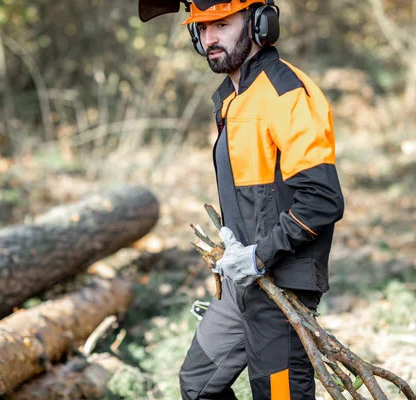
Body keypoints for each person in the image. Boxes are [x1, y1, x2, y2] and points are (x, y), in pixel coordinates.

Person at [140, 0, 344, 398]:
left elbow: (322, 199)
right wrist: (238, 247)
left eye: (221, 24)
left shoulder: (285, 94)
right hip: (243, 282)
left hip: (281, 283)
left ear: (259, 24)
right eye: (202, 26)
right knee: (199, 385)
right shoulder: (233, 98)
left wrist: (258, 255)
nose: (209, 37)